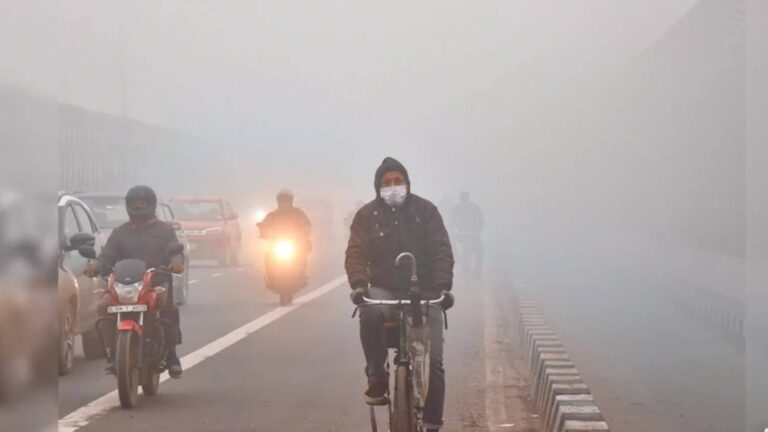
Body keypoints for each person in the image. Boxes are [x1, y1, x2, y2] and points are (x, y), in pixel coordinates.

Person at [346, 157, 455, 431]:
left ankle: (432, 422)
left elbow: (442, 251)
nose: (393, 186)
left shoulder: (426, 212)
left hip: (424, 293)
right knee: (370, 311)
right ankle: (377, 376)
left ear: (407, 183)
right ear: (377, 187)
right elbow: (356, 253)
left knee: (434, 360)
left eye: (398, 181)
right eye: (387, 182)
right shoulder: (366, 216)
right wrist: (359, 285)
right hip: (384, 290)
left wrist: (443, 288)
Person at [85, 185, 185, 378]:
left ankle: (172, 355)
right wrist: (95, 266)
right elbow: (107, 256)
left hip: (156, 282)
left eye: (142, 203)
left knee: (167, 307)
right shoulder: (120, 232)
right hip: (125, 284)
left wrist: (176, 262)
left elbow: (176, 250)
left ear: (151, 205)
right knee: (105, 306)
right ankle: (113, 353)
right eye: (135, 203)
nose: (138, 207)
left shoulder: (165, 230)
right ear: (128, 205)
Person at [258, 189, 312, 287]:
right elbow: (264, 225)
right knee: (269, 256)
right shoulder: (272, 215)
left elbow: (306, 224)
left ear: (290, 201)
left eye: (286, 200)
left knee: (302, 253)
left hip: (294, 242)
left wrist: (304, 232)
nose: (284, 203)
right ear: (278, 202)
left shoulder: (298, 213)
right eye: (282, 200)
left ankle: (301, 275)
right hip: (277, 242)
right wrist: (263, 231)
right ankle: (270, 278)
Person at [450, 191, 484, 277]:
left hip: (471, 235)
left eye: (465, 198)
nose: (464, 200)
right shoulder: (456, 209)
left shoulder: (474, 208)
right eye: (462, 198)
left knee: (480, 252)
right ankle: (456, 267)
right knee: (452, 250)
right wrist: (454, 231)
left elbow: (481, 222)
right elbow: (451, 222)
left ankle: (477, 272)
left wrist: (478, 232)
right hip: (460, 236)